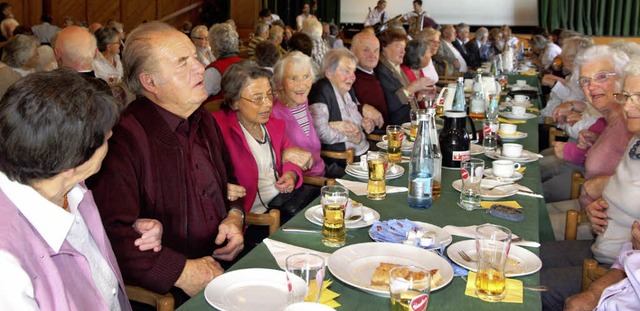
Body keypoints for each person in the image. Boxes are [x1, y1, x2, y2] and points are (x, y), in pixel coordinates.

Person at [88, 21, 245, 305]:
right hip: (169, 294)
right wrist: (181, 272)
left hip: (225, 268)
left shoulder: (203, 119)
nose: (201, 68)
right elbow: (111, 234)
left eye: (196, 57)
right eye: (183, 63)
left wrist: (235, 217)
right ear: (150, 83)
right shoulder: (123, 140)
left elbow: (232, 184)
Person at [0, 68, 163, 310]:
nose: (110, 134)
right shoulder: (7, 267)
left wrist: (134, 228)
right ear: (72, 164)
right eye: (105, 137)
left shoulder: (69, 187)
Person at [540, 45, 632, 311]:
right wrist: (591, 148)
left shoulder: (630, 122)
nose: (592, 87)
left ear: (622, 78)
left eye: (602, 77)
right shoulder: (615, 118)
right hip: (600, 228)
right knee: (530, 251)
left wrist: (603, 185)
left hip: (609, 244)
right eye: (586, 81)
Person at [564, 57, 640, 310]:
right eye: (627, 96)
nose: (628, 106)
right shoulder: (636, 139)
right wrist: (598, 204)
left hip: (612, 268)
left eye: (638, 97)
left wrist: (596, 291)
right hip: (606, 251)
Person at [213, 61, 315, 226]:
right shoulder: (217, 130)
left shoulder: (273, 124)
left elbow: (290, 153)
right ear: (234, 102)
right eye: (257, 99)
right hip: (255, 220)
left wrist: (291, 174)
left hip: (283, 204)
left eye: (269, 95)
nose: (267, 104)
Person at [308, 48, 376, 176]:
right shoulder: (321, 91)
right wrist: (350, 136)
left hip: (363, 152)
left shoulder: (347, 88)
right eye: (346, 71)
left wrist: (365, 123)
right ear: (328, 72)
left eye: (353, 71)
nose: (353, 77)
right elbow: (320, 132)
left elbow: (354, 117)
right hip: (344, 161)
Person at [272, 51, 325, 177]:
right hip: (302, 182)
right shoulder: (273, 112)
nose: (301, 85)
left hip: (322, 172)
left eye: (306, 76)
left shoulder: (302, 101)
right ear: (280, 82)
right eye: (293, 78)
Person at [375, 29, 434, 125]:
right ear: (384, 47)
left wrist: (423, 97)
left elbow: (406, 94)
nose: (403, 51)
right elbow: (390, 104)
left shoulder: (395, 66)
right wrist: (413, 87)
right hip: (398, 127)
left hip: (412, 122)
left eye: (404, 47)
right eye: (399, 47)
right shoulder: (382, 70)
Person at [350, 31, 389, 129]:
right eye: (366, 50)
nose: (373, 55)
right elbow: (340, 108)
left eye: (376, 50)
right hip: (373, 137)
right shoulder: (349, 78)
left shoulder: (380, 71)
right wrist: (361, 108)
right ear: (352, 51)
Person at [204, 22, 242, 98]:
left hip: (219, 109)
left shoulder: (213, 71)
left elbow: (199, 96)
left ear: (214, 45)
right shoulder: (246, 64)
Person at [401, 39, 435, 109]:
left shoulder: (419, 70)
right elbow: (409, 99)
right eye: (428, 52)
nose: (431, 55)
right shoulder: (405, 72)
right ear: (419, 56)